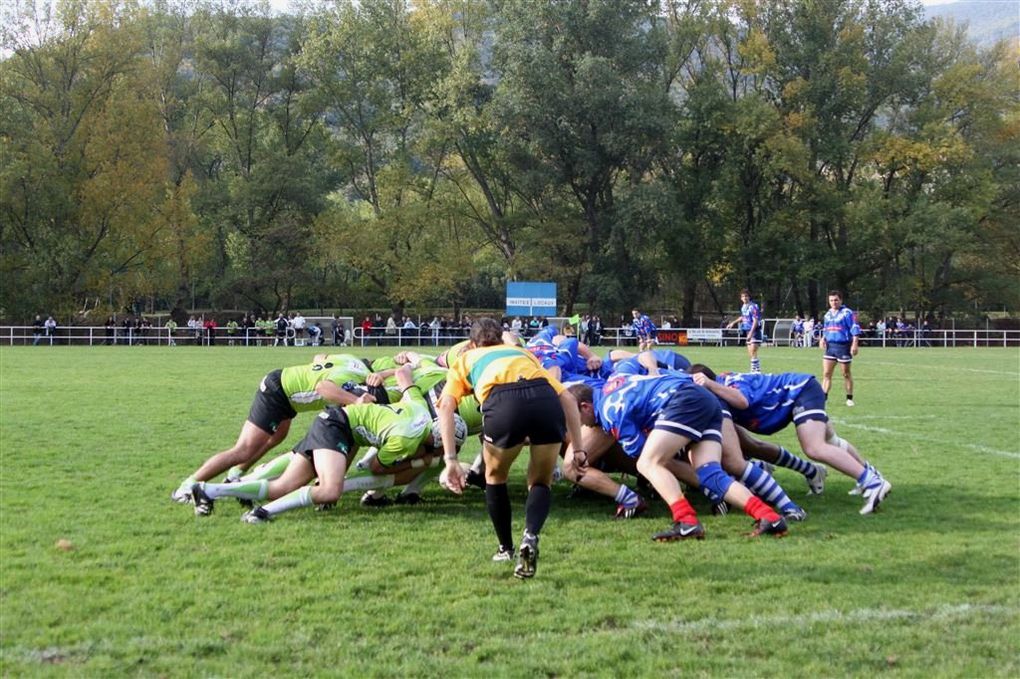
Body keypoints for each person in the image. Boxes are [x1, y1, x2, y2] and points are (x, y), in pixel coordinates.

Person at [191, 364, 468, 523]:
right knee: (329, 491)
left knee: (284, 486)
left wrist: (385, 373)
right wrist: (423, 461)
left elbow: (405, 374)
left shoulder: (419, 404)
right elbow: (375, 468)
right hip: (337, 426)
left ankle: (208, 490)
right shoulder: (407, 441)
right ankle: (261, 513)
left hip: (337, 422)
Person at [437, 317, 585, 579]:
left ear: (472, 344)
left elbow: (446, 407)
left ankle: (506, 548)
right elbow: (569, 400)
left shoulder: (465, 359)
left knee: (495, 477)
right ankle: (530, 535)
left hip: (503, 402)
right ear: (502, 338)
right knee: (540, 481)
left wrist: (450, 460)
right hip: (544, 401)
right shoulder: (522, 354)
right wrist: (579, 449)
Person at [566, 373, 788, 543]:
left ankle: (686, 520)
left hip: (683, 401)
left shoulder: (608, 410)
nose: (580, 426)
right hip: (704, 399)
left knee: (648, 462)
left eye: (575, 418)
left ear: (585, 406)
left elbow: (637, 452)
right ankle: (769, 516)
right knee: (710, 473)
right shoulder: (613, 384)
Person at [170, 355, 378, 505]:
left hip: (285, 390)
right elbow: (322, 388)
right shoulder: (351, 378)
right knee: (244, 449)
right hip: (277, 393)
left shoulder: (351, 360)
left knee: (277, 437)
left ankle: (235, 475)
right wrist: (356, 400)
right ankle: (188, 485)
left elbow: (320, 356)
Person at [688, 365, 892, 515]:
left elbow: (742, 401)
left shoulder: (726, 385)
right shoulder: (721, 389)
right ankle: (871, 474)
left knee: (815, 448)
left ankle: (872, 482)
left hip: (798, 391)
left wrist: (710, 385)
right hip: (796, 394)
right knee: (832, 441)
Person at [820, 290, 860, 407]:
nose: (834, 302)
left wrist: (855, 343)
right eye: (831, 300)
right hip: (830, 347)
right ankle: (824, 398)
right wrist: (823, 338)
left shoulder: (847, 313)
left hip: (843, 346)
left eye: (836, 300)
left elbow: (854, 328)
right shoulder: (827, 314)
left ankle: (849, 398)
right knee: (826, 373)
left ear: (841, 300)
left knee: (846, 373)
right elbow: (826, 328)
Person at [727, 289, 762, 373]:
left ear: (749, 297)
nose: (744, 298)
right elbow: (743, 317)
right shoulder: (743, 307)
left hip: (754, 331)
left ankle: (756, 371)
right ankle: (755, 369)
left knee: (753, 351)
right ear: (741, 298)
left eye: (746, 296)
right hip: (747, 330)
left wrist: (751, 333)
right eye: (743, 296)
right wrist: (733, 323)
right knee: (751, 353)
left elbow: (755, 321)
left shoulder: (753, 306)